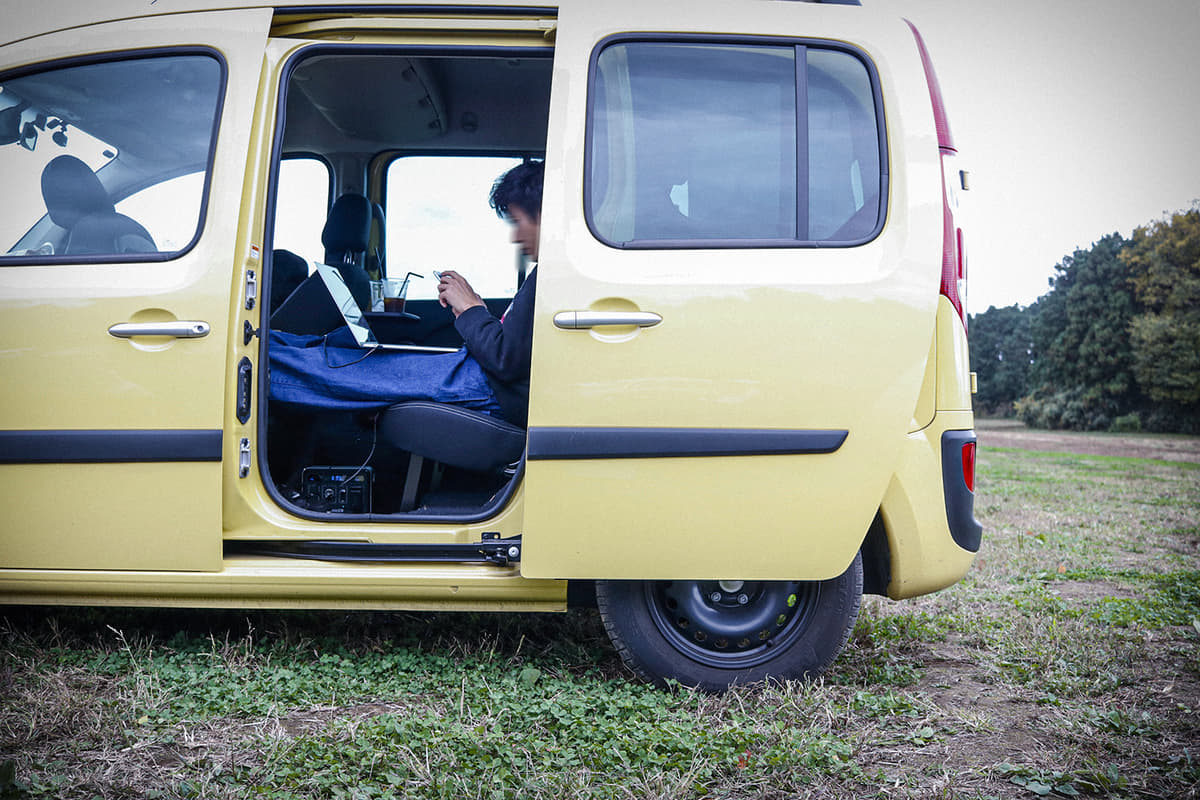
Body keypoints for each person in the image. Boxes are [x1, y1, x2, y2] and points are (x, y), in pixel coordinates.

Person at [268, 160, 543, 427]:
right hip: (480, 373)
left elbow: (506, 361)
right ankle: (271, 344)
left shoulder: (550, 277)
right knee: (339, 347)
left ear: (546, 215)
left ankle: (255, 360)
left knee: (328, 367)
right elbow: (514, 350)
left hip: (489, 385)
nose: (515, 236)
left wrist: (472, 310)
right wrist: (473, 310)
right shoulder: (546, 275)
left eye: (518, 221)